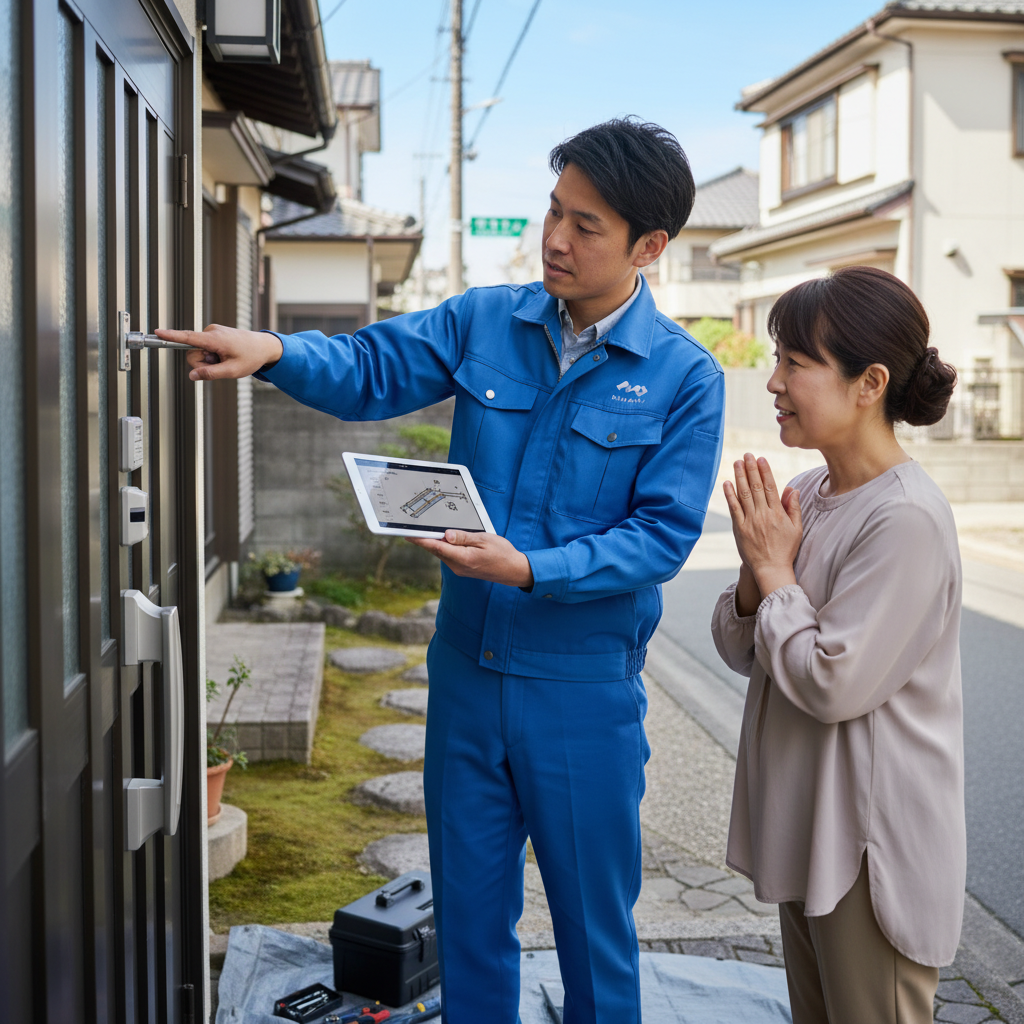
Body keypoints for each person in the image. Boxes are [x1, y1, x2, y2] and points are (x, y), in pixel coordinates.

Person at [157, 118, 725, 1024]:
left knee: (594, 933)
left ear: (648, 246)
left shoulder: (684, 376)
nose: (554, 238)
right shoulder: (484, 320)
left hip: (580, 694)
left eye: (586, 225)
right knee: (466, 920)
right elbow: (370, 365)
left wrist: (530, 566)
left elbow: (660, 537)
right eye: (552, 210)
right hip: (463, 675)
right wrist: (273, 351)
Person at [710, 266, 964, 1024]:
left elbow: (831, 683)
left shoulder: (906, 519)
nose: (773, 381)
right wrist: (762, 577)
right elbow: (737, 642)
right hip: (817, 831)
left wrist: (775, 572)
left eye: (794, 361)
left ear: (869, 383)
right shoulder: (815, 493)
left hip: (871, 851)